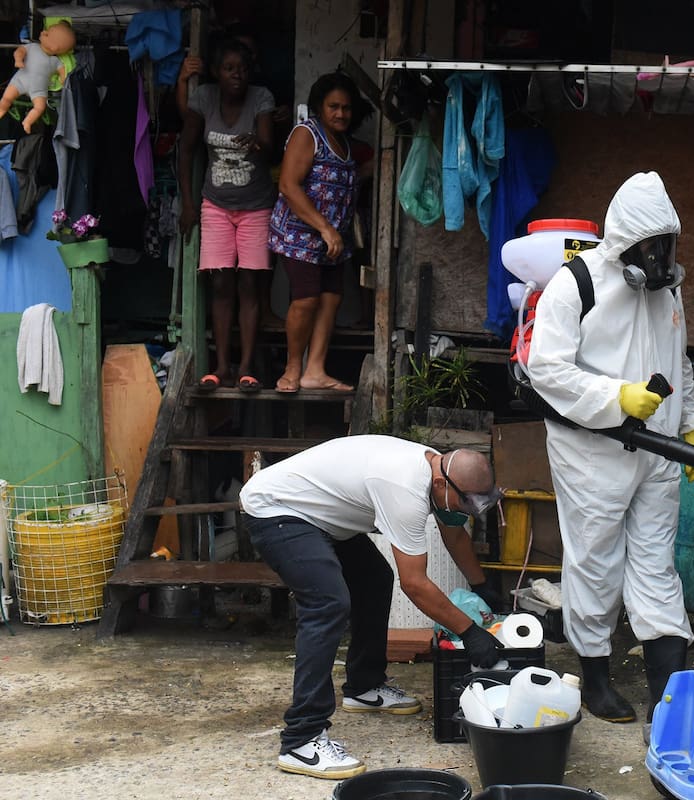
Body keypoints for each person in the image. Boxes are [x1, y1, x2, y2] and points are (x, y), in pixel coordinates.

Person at [525, 171, 694, 737]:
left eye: (667, 247)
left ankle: (666, 692)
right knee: (596, 560)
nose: (659, 258)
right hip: (592, 449)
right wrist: (614, 397)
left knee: (656, 562)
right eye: (650, 247)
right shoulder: (573, 284)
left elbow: (678, 361)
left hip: (659, 447)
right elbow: (545, 369)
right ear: (624, 241)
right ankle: (596, 675)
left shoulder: (668, 288)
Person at [240, 435, 506, 779]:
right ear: (442, 483)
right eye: (466, 502)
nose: (467, 510)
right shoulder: (405, 488)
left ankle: (364, 687)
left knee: (374, 579)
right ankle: (301, 740)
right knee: (327, 603)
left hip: (321, 514)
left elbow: (453, 534)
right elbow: (415, 583)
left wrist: (482, 585)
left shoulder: (442, 473)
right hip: (278, 509)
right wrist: (471, 633)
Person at [179, 37, 275, 392]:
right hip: (215, 204)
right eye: (230, 69)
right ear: (217, 73)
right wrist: (188, 204)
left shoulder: (261, 97)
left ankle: (246, 368)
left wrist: (259, 143)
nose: (238, 75)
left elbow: (269, 143)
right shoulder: (203, 98)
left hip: (256, 206)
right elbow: (186, 151)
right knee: (221, 283)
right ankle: (220, 367)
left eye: (243, 69)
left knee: (250, 283)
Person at [268, 73, 364, 393]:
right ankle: (292, 369)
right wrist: (324, 228)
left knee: (330, 299)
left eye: (346, 108)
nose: (340, 113)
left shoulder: (345, 142)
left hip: (332, 239)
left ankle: (315, 371)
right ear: (319, 107)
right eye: (333, 106)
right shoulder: (307, 134)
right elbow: (287, 184)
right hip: (300, 235)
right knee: (306, 299)